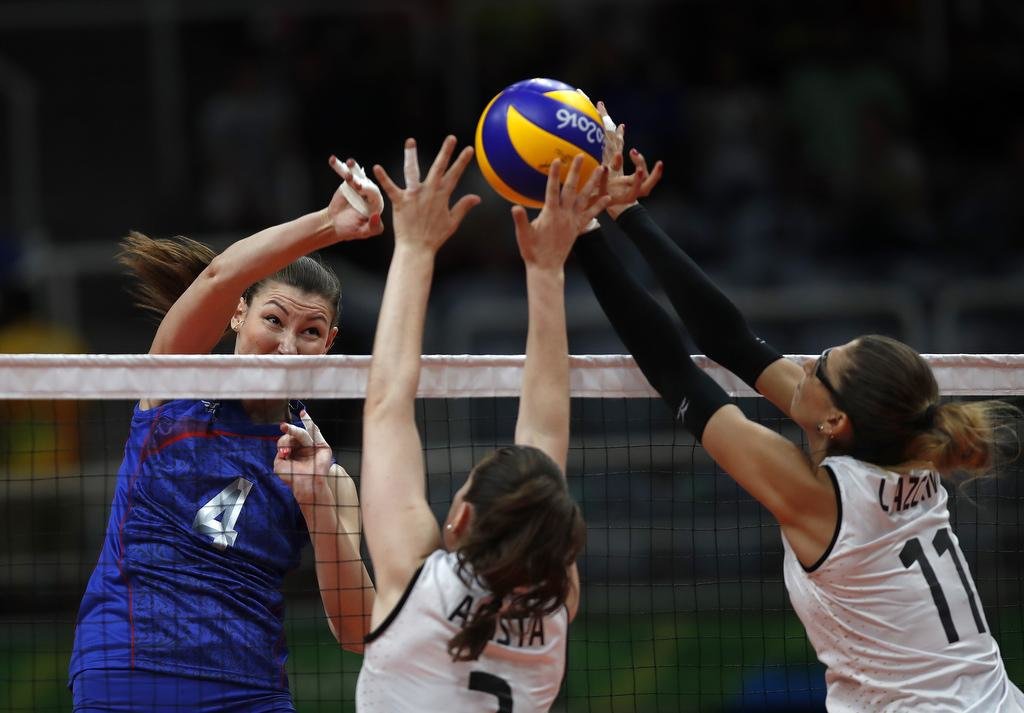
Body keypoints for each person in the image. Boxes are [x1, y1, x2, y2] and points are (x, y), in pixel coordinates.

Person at [572, 103, 1024, 712]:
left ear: (835, 421)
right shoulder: (906, 448)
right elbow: (730, 340)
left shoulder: (822, 500)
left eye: (822, 366)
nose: (805, 364)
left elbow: (675, 371)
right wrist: (625, 211)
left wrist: (583, 231)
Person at [68, 156, 381, 713]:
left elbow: (359, 633)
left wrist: (314, 498)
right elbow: (219, 274)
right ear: (238, 314)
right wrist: (329, 224)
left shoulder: (327, 474)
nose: (287, 346)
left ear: (329, 344)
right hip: (129, 667)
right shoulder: (175, 388)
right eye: (273, 320)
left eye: (310, 331)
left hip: (250, 689)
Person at [347, 136, 605, 711]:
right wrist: (546, 270)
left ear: (460, 518)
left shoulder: (418, 585)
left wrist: (414, 247)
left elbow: (389, 401)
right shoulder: (554, 607)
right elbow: (541, 440)